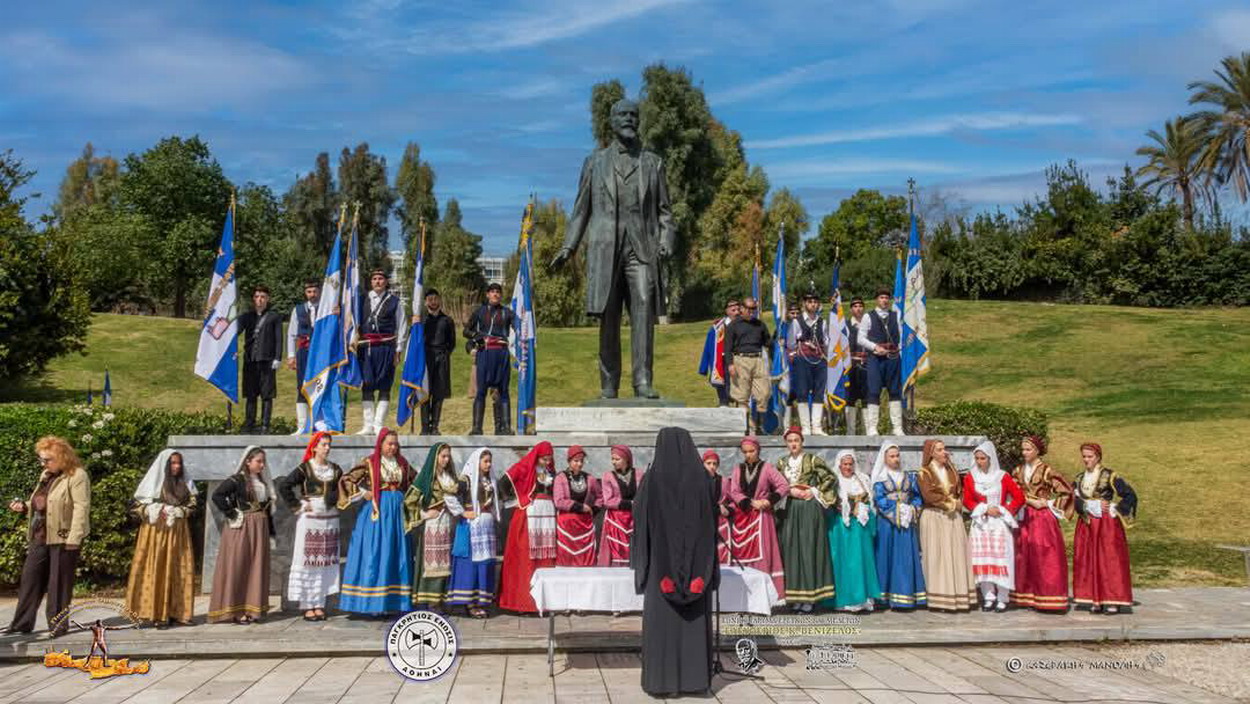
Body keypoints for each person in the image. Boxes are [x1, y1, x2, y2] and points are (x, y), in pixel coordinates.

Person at [551, 98, 677, 400]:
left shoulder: (652, 162)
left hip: (642, 250)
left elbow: (665, 212)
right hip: (605, 250)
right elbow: (581, 210)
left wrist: (665, 241)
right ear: (612, 121)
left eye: (634, 115)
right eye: (623, 115)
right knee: (608, 318)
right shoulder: (594, 162)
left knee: (644, 309)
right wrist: (569, 246)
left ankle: (642, 381)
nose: (630, 119)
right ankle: (609, 384)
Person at [631, 427, 718, 697]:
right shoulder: (702, 478)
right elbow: (712, 522)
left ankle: (662, 682)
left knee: (663, 628)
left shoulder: (653, 479)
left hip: (661, 568)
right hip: (696, 568)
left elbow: (640, 521)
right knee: (692, 625)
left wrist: (641, 565)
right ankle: (695, 681)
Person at [2, 436, 92, 637]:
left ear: (62, 457)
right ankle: (21, 623)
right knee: (30, 578)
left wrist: (74, 539)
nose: (43, 463)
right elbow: (42, 501)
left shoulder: (77, 476)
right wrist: (25, 506)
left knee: (58, 583)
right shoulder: (46, 475)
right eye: (41, 459)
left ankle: (58, 626)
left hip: (63, 537)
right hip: (40, 534)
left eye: (48, 459)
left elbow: (81, 508)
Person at [338, 428, 416, 614]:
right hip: (377, 512)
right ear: (381, 443)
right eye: (389, 443)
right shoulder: (370, 462)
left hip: (397, 513)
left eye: (395, 444)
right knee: (376, 552)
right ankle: (372, 604)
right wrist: (363, 493)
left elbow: (416, 482)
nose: (393, 447)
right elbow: (347, 480)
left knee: (396, 553)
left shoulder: (402, 463)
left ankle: (394, 602)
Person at [276, 431, 343, 621]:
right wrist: (298, 505)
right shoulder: (305, 469)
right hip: (310, 520)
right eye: (323, 444)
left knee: (324, 562)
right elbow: (285, 486)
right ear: (314, 447)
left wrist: (334, 499)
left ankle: (319, 603)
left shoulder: (336, 470)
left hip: (330, 520)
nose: (327, 448)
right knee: (308, 561)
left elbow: (343, 489)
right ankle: (307, 605)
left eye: (329, 444)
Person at [126, 449, 196, 627]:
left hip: (178, 531)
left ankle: (178, 612)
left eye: (179, 463)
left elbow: (193, 505)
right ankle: (155, 613)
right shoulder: (152, 484)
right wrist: (151, 510)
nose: (177, 467)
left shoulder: (184, 484)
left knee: (178, 569)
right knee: (155, 567)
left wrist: (180, 511)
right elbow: (135, 507)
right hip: (154, 533)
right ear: (165, 465)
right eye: (173, 463)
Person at [208, 446, 276, 624]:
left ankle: (252, 608)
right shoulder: (237, 479)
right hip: (242, 527)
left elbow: (267, 509)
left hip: (259, 528)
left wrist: (271, 532)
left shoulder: (263, 481)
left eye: (263, 461)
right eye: (258, 461)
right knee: (239, 565)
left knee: (256, 567)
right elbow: (218, 495)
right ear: (247, 461)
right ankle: (236, 611)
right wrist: (232, 513)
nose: (262, 465)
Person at [774, 427, 835, 611]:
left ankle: (809, 598)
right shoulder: (780, 463)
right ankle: (794, 597)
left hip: (809, 509)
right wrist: (788, 491)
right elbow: (774, 484)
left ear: (802, 442)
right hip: (790, 510)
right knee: (791, 550)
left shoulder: (813, 460)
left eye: (796, 440)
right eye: (790, 440)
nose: (793, 444)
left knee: (808, 549)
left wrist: (813, 491)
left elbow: (830, 478)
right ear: (786, 443)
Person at [1011, 435, 1074, 612]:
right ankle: (1026, 596)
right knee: (1023, 554)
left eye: (1028, 449)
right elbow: (1012, 491)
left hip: (1042, 518)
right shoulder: (1017, 471)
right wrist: (1024, 501)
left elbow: (1067, 492)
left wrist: (1048, 503)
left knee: (1044, 554)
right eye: (1023, 449)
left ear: (1037, 450)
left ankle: (1048, 596)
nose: (1024, 453)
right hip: (1023, 516)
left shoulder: (1047, 471)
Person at [1072, 443, 1136, 614]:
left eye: (1090, 456)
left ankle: (1112, 599)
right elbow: (1072, 500)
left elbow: (1130, 494)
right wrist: (1085, 505)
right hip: (1087, 524)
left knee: (1109, 559)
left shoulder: (1109, 475)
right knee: (1089, 559)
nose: (1086, 460)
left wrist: (1117, 508)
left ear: (1098, 457)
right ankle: (1094, 598)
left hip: (1106, 525)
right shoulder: (1079, 478)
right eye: (1084, 456)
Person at [962, 441, 1025, 612]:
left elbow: (1019, 497)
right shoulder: (970, 477)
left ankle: (1003, 597)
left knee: (1001, 559)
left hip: (999, 524)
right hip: (981, 524)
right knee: (982, 559)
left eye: (983, 458)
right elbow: (967, 499)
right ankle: (988, 596)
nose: (979, 461)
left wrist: (1004, 510)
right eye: (977, 458)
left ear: (990, 458)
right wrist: (983, 509)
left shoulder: (1002, 476)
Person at [917, 439, 976, 612]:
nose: (945, 452)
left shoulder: (952, 470)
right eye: (940, 450)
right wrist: (951, 504)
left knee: (956, 554)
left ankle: (958, 595)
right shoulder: (924, 473)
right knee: (937, 556)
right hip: (934, 517)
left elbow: (960, 491)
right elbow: (929, 495)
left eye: (945, 449)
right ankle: (938, 599)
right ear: (932, 453)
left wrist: (959, 502)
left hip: (952, 518)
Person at [498, 442, 558, 613]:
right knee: (526, 557)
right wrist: (517, 500)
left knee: (545, 559)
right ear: (537, 456)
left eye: (549, 459)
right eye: (544, 459)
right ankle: (523, 603)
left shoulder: (549, 472)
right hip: (528, 516)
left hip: (547, 519)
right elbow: (503, 483)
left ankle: (544, 602)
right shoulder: (524, 467)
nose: (547, 462)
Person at [727, 436, 788, 598]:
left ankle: (764, 597)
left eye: (751, 451)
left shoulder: (767, 468)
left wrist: (768, 501)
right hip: (743, 517)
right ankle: (743, 597)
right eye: (745, 452)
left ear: (758, 450)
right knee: (742, 554)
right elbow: (733, 491)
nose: (748, 455)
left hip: (762, 517)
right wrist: (748, 502)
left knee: (763, 553)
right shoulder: (738, 469)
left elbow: (783, 485)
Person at [823, 450, 881, 612]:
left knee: (862, 561)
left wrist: (864, 509)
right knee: (845, 563)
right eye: (845, 464)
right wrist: (846, 510)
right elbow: (830, 503)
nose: (848, 467)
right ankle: (845, 600)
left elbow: (870, 500)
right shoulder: (834, 481)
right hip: (842, 528)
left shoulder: (863, 479)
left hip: (861, 528)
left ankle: (863, 599)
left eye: (851, 464)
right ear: (839, 465)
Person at [870, 440, 925, 609]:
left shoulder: (908, 476)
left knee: (905, 558)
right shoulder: (880, 479)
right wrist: (897, 511)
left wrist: (913, 508)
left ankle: (905, 595)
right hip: (888, 523)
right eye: (892, 456)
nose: (895, 459)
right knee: (886, 557)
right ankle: (885, 597)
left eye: (897, 455)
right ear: (885, 458)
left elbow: (916, 495)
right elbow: (879, 499)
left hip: (906, 523)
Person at [405, 442, 460, 609]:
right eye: (443, 456)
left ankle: (441, 599)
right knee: (432, 563)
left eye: (448, 456)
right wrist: (424, 514)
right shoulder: (426, 478)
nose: (446, 459)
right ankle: (428, 600)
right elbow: (409, 501)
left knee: (446, 563)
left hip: (448, 524)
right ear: (435, 457)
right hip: (432, 525)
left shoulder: (450, 477)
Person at [446, 448, 500, 618]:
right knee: (471, 564)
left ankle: (481, 600)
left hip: (487, 528)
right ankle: (469, 603)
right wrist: (463, 512)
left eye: (490, 461)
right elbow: (449, 495)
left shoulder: (489, 479)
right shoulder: (467, 479)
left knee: (484, 564)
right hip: (472, 527)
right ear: (477, 461)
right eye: (485, 461)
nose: (488, 464)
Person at [356, 270, 406, 435]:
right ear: (371, 282)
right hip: (366, 347)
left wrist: (398, 349)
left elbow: (402, 325)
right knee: (367, 384)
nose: (377, 281)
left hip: (386, 347)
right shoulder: (361, 299)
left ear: (386, 282)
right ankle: (368, 425)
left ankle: (378, 424)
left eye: (381, 279)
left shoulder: (394, 301)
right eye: (375, 279)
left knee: (385, 385)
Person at [464, 283, 516, 435]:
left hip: (501, 354)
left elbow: (519, 327)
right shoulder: (479, 312)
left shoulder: (507, 312)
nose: (495, 294)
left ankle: (506, 427)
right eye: (492, 292)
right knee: (481, 391)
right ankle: (477, 428)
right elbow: (466, 330)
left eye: (498, 292)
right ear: (487, 294)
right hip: (485, 353)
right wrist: (475, 336)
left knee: (503, 390)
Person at [856, 288, 903, 436]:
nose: (884, 300)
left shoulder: (896, 315)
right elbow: (860, 338)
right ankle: (872, 428)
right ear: (877, 299)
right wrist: (875, 347)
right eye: (881, 297)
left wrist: (897, 350)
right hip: (875, 358)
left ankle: (897, 427)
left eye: (886, 298)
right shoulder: (868, 317)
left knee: (895, 391)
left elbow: (901, 336)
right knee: (874, 390)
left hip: (893, 358)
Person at [238, 285, 284, 434]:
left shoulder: (274, 317)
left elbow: (278, 339)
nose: (260, 300)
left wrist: (277, 357)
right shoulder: (246, 316)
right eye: (257, 297)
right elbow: (235, 332)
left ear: (267, 299)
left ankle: (265, 425)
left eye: (263, 297)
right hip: (250, 360)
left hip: (267, 360)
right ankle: (249, 423)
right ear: (253, 299)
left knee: (266, 394)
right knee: (251, 394)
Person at [724, 296, 773, 434]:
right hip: (740, 360)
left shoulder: (760, 324)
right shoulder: (733, 325)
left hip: (757, 359)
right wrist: (730, 364)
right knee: (742, 396)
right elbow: (727, 348)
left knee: (764, 393)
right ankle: (748, 428)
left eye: (754, 309)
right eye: (749, 309)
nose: (752, 312)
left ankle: (760, 423)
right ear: (742, 309)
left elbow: (767, 342)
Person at [787, 292, 828, 437]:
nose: (813, 304)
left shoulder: (822, 322)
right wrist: (797, 356)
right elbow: (791, 344)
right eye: (810, 302)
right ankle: (805, 427)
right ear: (804, 304)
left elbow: (826, 342)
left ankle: (816, 426)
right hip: (802, 359)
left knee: (819, 392)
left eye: (816, 302)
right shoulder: (797, 322)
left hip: (819, 359)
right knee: (802, 392)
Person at [597, 444, 643, 567]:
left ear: (626, 459)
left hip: (635, 518)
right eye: (612, 459)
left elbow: (643, 494)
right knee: (617, 550)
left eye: (617, 459)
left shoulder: (639, 474)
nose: (614, 462)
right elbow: (608, 500)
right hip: (615, 520)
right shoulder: (608, 476)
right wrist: (631, 503)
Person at [554, 446, 600, 567]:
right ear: (569, 461)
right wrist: (581, 507)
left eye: (581, 461)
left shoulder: (590, 479)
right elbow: (559, 501)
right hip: (567, 525)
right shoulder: (560, 478)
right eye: (576, 461)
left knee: (585, 560)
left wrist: (593, 509)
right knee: (567, 560)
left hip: (585, 524)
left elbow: (601, 497)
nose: (579, 464)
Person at [286, 279, 320, 435]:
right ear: (305, 293)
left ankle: (319, 424)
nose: (312, 294)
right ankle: (302, 425)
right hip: (304, 352)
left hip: (321, 354)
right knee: (302, 387)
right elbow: (292, 333)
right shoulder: (298, 310)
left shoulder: (326, 309)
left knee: (320, 386)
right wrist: (291, 355)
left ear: (319, 292)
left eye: (314, 291)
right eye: (309, 292)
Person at [420, 288, 456, 435]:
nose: (433, 301)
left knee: (438, 393)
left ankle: (435, 426)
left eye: (435, 298)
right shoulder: (421, 321)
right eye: (430, 299)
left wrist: (444, 354)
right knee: (424, 393)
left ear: (439, 300)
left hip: (441, 358)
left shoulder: (447, 320)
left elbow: (452, 342)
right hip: (425, 358)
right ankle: (424, 427)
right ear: (425, 302)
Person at [698, 299, 739, 408]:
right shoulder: (717, 327)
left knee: (737, 387)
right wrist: (704, 367)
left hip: (738, 359)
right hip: (722, 360)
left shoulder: (742, 324)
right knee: (722, 386)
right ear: (727, 311)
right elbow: (708, 346)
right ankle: (723, 404)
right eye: (733, 309)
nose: (736, 312)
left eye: (738, 309)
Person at [703, 450, 733, 565]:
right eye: (708, 463)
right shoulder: (697, 482)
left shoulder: (724, 482)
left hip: (720, 523)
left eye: (714, 464)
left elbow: (733, 502)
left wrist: (727, 510)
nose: (712, 467)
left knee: (721, 553)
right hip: (703, 522)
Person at [844, 297, 868, 434]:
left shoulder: (868, 324)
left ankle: (868, 431)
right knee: (850, 398)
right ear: (851, 309)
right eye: (855, 306)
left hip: (866, 364)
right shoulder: (846, 326)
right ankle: (850, 431)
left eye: (860, 306)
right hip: (850, 366)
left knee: (867, 398)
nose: (858, 308)